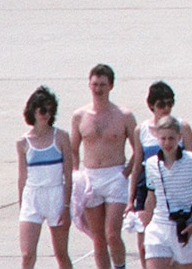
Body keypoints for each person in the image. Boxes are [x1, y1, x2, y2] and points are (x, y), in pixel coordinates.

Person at [71, 64, 139, 269]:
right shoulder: (79, 116)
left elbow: (138, 150)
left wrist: (125, 174)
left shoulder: (124, 115)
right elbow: (73, 149)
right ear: (89, 85)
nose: (98, 89)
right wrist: (76, 175)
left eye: (102, 84)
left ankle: (120, 266)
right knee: (98, 237)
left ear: (111, 86)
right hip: (91, 176)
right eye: (94, 84)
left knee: (112, 233)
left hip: (115, 176)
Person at [138, 115, 192, 269]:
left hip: (186, 227)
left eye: (171, 138)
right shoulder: (152, 163)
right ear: (157, 138)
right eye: (163, 138)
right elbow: (151, 196)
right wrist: (146, 223)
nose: (167, 143)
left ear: (179, 137)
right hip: (159, 226)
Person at [18, 86, 76, 269]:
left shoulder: (61, 137)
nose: (47, 114)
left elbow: (68, 175)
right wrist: (22, 205)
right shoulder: (22, 142)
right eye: (43, 110)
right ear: (33, 111)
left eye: (50, 110)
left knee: (61, 254)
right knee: (27, 255)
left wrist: (66, 206)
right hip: (32, 196)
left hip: (56, 195)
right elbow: (22, 177)